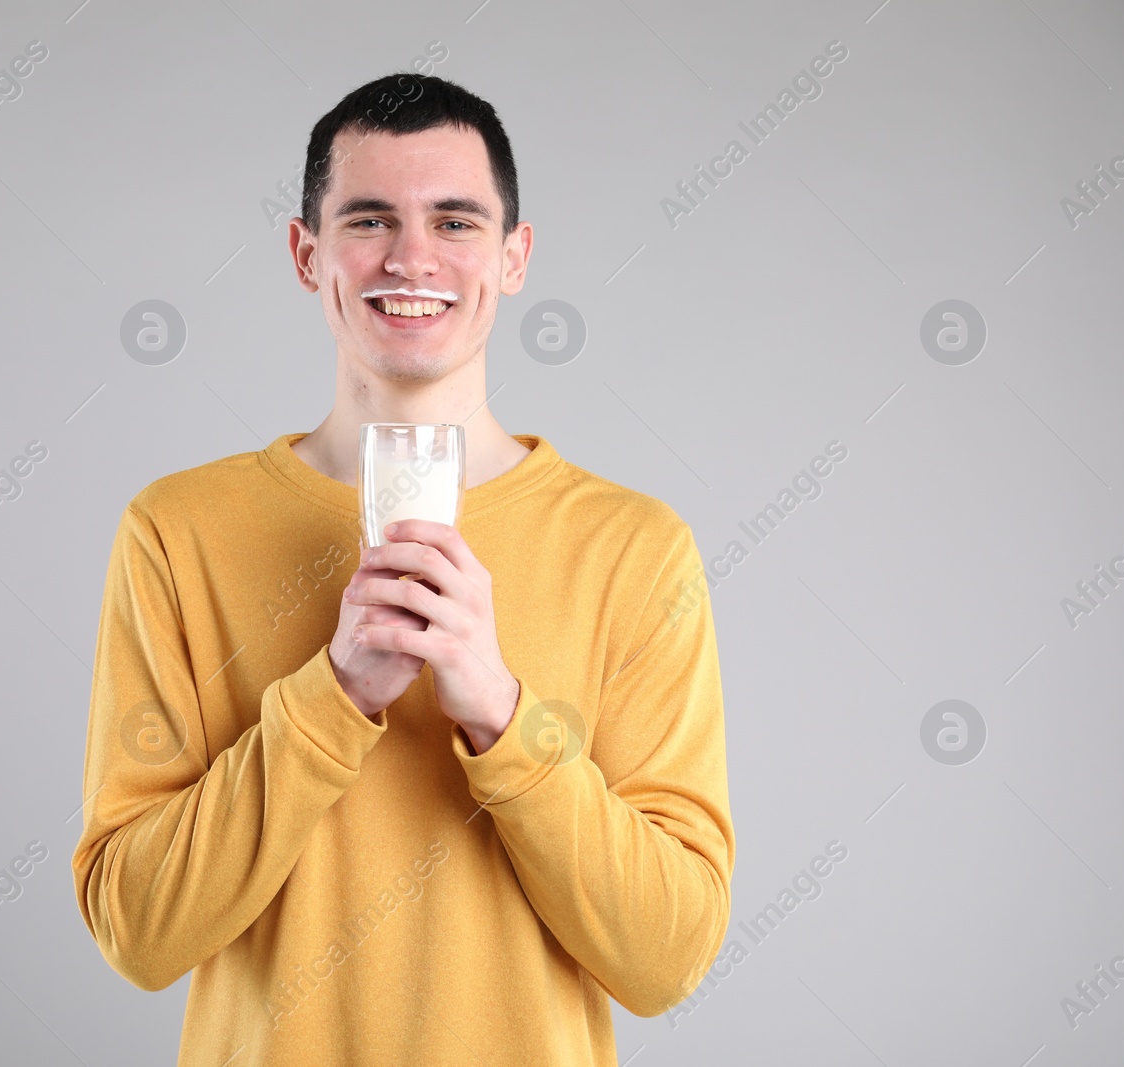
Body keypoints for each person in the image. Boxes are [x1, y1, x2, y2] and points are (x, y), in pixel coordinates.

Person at [71, 71, 733, 1067]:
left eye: (456, 222)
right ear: (306, 254)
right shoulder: (176, 529)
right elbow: (139, 929)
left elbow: (666, 957)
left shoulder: (634, 547)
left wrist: (504, 716)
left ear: (513, 258)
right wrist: (333, 697)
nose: (412, 256)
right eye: (369, 219)